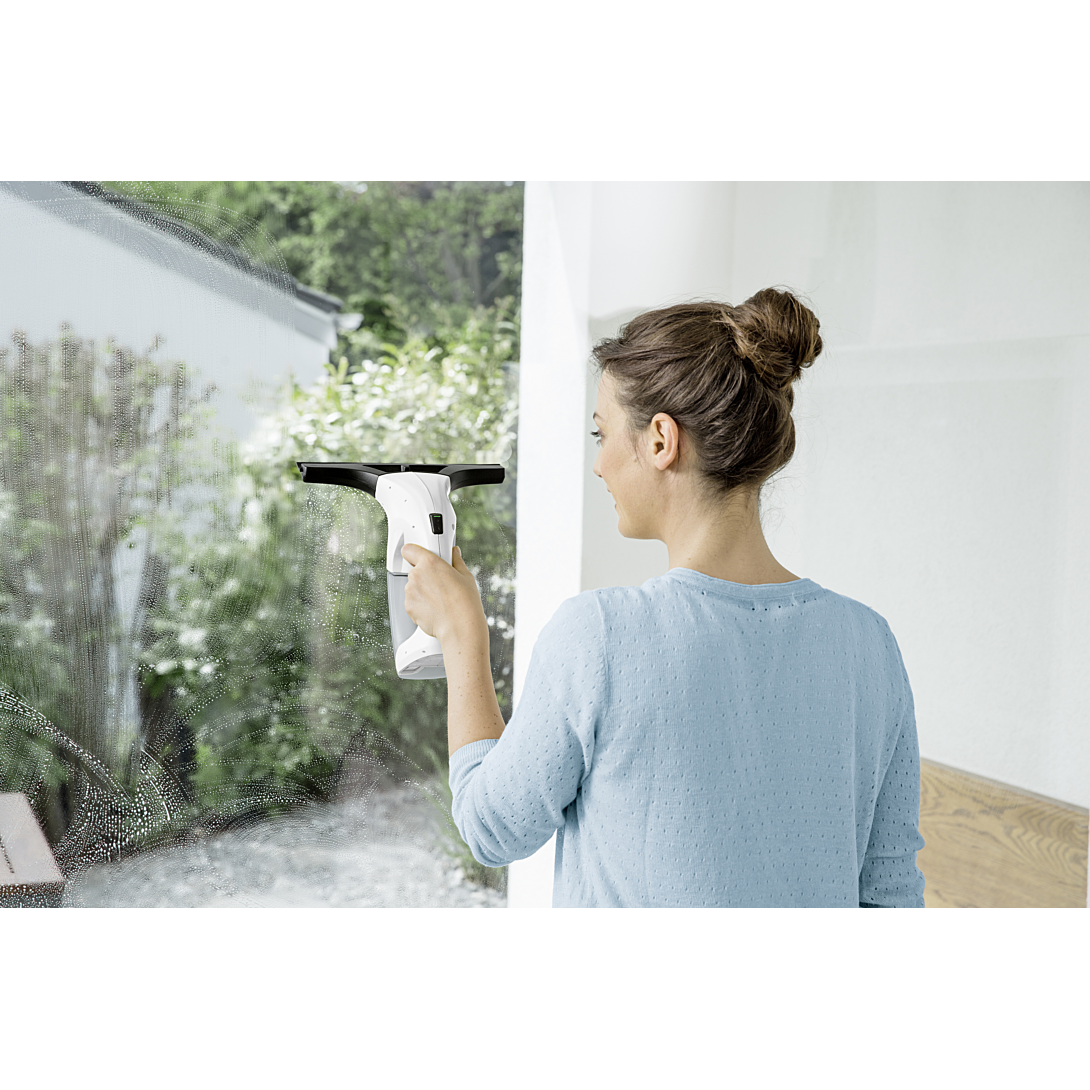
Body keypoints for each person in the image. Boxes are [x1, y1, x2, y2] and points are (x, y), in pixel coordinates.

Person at [449, 286, 926, 911]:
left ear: (660, 440)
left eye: (601, 434)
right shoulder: (868, 643)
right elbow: (890, 895)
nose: (598, 465)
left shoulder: (601, 635)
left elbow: (492, 829)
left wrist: (462, 635)